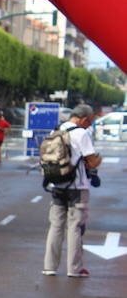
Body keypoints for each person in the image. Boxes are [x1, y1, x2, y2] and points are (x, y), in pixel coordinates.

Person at [42, 104, 101, 278]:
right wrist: (98, 160)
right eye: (89, 121)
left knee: (56, 226)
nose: (89, 125)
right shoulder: (81, 133)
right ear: (83, 118)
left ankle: (49, 266)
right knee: (75, 226)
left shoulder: (57, 130)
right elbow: (91, 161)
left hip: (57, 184)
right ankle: (74, 268)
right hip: (77, 186)